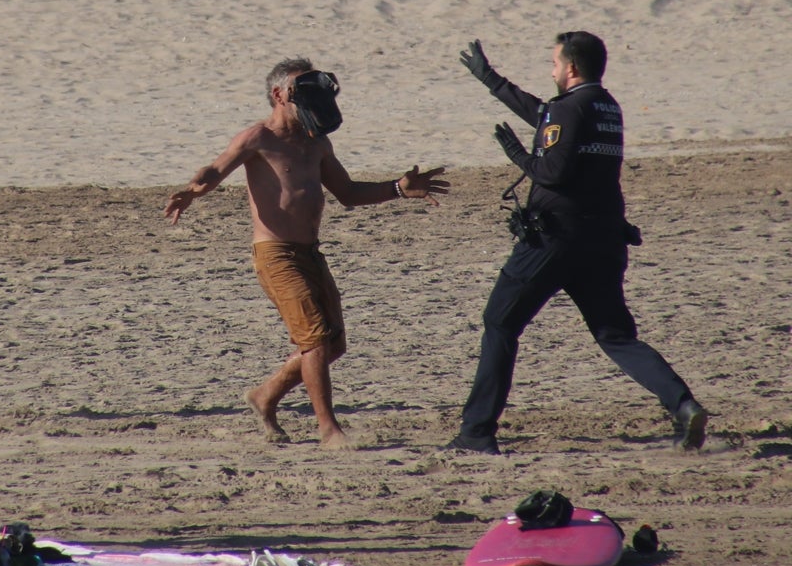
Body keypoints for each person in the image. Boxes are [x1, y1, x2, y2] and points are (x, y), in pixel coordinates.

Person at [446, 32, 708, 455]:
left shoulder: (570, 108)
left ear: (570, 67)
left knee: (500, 322)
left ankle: (476, 433)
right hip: (604, 239)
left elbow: (552, 172)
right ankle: (683, 404)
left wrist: (517, 154)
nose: (551, 70)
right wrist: (491, 80)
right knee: (615, 335)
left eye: (553, 63)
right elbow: (546, 116)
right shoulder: (606, 106)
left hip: (556, 239)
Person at [166, 59, 449, 449]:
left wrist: (398, 187)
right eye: (304, 89)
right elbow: (215, 170)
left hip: (310, 252)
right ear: (278, 95)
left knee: (333, 345)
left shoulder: (317, 143)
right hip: (275, 252)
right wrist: (192, 191)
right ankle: (328, 429)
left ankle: (265, 396)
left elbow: (348, 194)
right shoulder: (257, 138)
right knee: (315, 341)